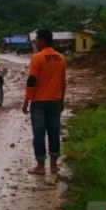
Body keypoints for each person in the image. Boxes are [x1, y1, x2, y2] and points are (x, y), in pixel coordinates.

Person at [22, 29, 66, 175]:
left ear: (43, 40)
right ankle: (53, 166)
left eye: (36, 39)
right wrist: (62, 100)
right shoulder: (61, 58)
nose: (35, 42)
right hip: (55, 102)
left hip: (39, 103)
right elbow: (63, 82)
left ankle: (40, 166)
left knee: (39, 134)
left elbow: (32, 81)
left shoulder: (37, 58)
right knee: (54, 133)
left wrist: (26, 100)